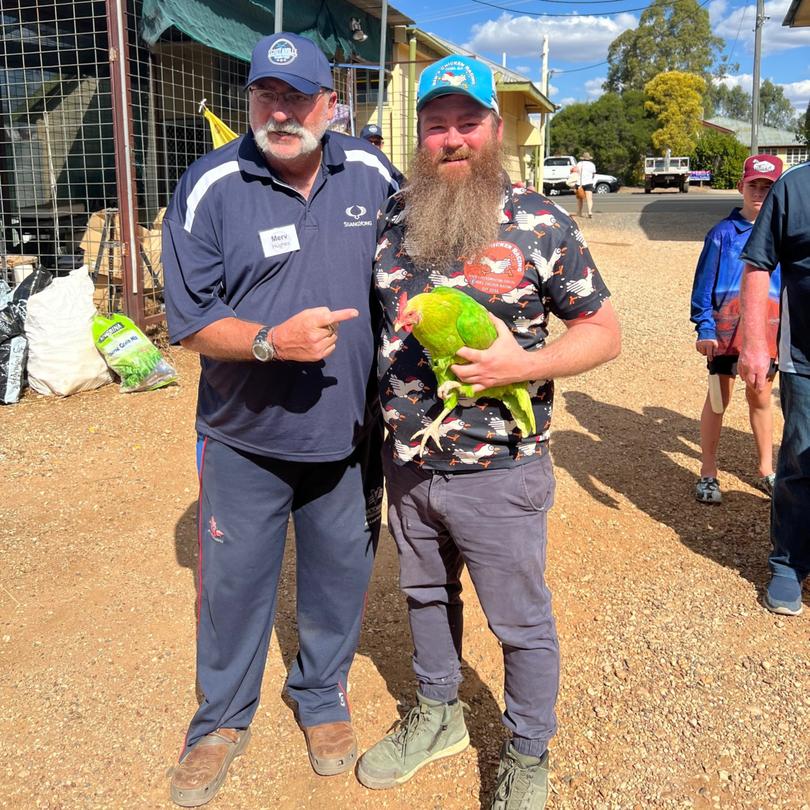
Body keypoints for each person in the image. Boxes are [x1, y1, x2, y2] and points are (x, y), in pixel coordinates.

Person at [356, 55, 621, 809]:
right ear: (420, 137)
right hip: (408, 461)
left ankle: (528, 752)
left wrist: (524, 361)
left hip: (501, 467)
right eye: (436, 125)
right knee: (424, 596)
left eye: (466, 123)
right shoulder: (394, 216)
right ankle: (438, 713)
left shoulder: (540, 221)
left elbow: (603, 331)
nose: (451, 139)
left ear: (495, 130)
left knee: (519, 619)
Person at [161, 32, 399, 807]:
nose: (282, 111)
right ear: (251, 101)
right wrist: (270, 342)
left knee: (340, 577)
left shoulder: (370, 171)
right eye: (267, 94)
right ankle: (219, 722)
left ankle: (321, 695)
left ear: (331, 104)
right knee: (232, 587)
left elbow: (420, 262)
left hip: (348, 433)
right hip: (243, 440)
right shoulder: (210, 185)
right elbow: (189, 322)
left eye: (299, 97)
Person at [739, 159, 810, 617]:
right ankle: (787, 564)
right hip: (805, 359)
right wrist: (754, 344)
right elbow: (758, 263)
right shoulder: (795, 187)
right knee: (802, 458)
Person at [690, 154, 783, 505]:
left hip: (766, 336)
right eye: (753, 185)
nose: (759, 192)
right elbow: (702, 288)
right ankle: (708, 472)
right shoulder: (721, 235)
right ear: (740, 186)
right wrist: (705, 327)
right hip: (725, 336)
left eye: (767, 186)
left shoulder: (781, 237)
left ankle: (766, 470)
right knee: (718, 399)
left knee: (760, 398)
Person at [575, 151, 596, 218]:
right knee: (589, 199)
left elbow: (576, 173)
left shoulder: (579, 164)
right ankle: (589, 211)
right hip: (588, 182)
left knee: (580, 199)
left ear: (583, 158)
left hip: (579, 183)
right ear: (589, 158)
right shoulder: (592, 165)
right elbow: (593, 174)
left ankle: (579, 212)